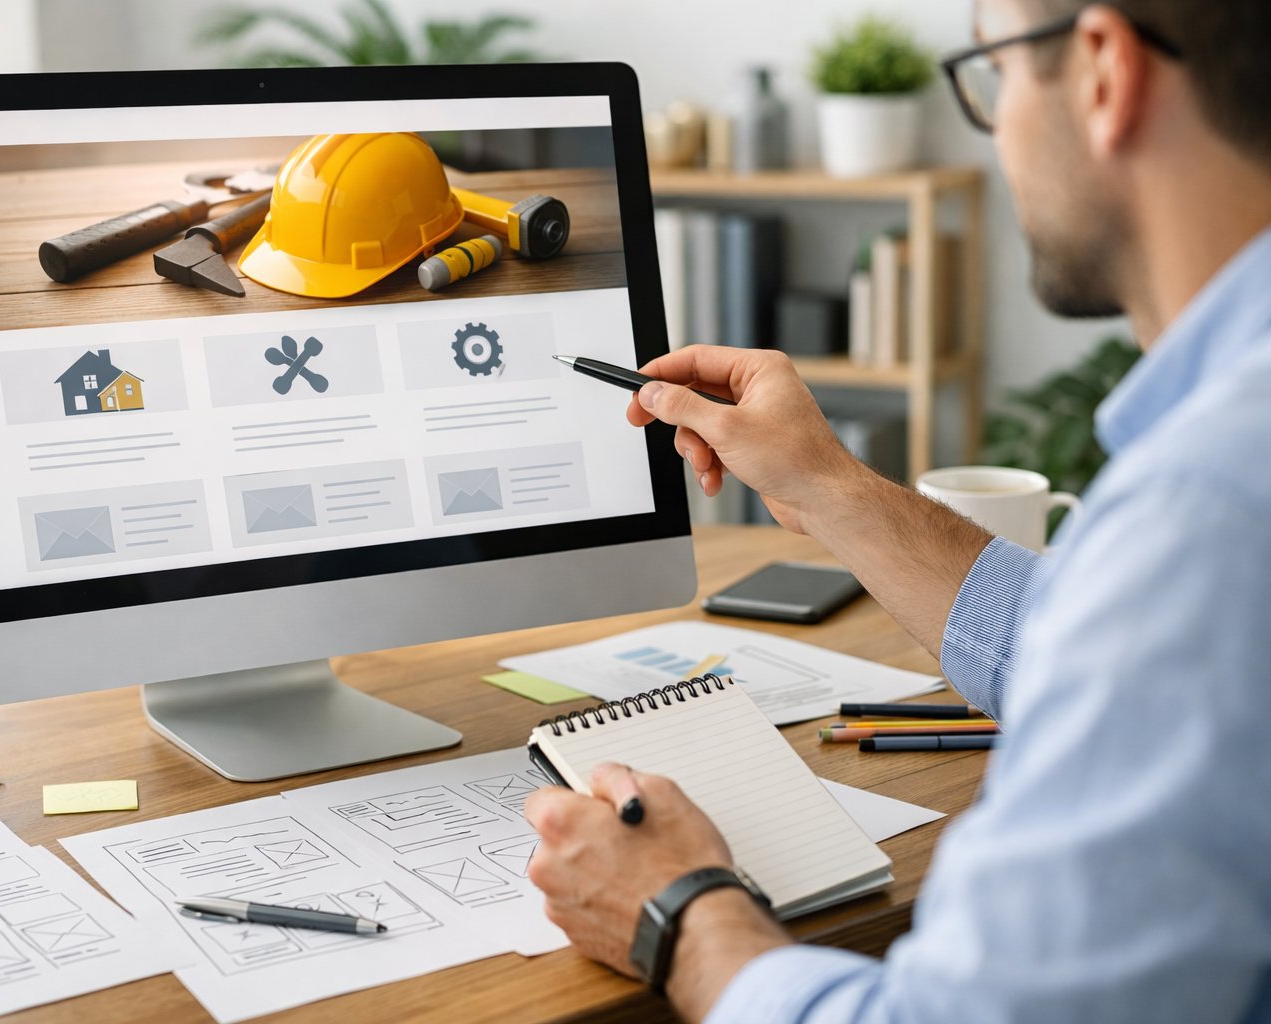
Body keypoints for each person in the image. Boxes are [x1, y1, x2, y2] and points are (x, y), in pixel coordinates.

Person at [523, 0, 1271, 1019]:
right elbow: (1127, 651)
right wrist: (825, 484)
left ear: (1103, 72)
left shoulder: (1212, 508)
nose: (998, 128)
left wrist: (677, 907)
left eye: (994, 73)